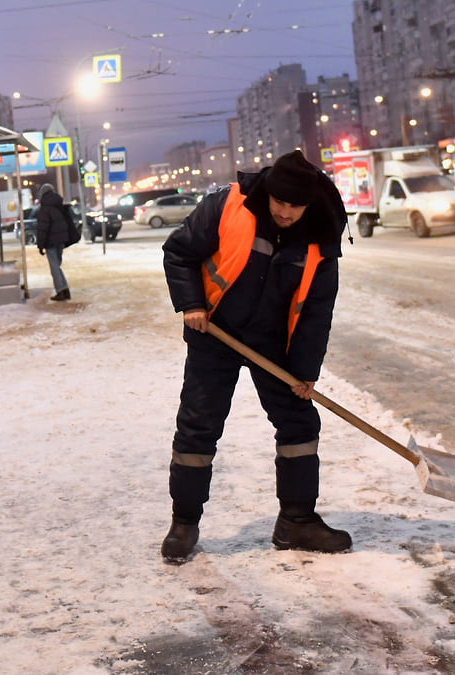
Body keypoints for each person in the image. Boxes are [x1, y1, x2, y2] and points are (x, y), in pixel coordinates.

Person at [159, 149, 349, 564]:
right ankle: (184, 523)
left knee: (299, 422)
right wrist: (191, 303)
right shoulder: (228, 204)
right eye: (278, 201)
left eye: (294, 205)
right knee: (198, 425)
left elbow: (317, 310)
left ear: (309, 203)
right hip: (215, 330)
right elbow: (178, 252)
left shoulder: (321, 231)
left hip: (275, 343)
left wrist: (304, 372)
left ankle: (296, 521)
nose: (284, 211)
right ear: (269, 192)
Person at [34, 183, 71, 301]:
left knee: (54, 267)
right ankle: (65, 289)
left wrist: (40, 245)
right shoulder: (58, 205)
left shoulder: (44, 208)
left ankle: (60, 290)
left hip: (51, 242)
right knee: (57, 266)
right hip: (61, 240)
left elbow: (43, 228)